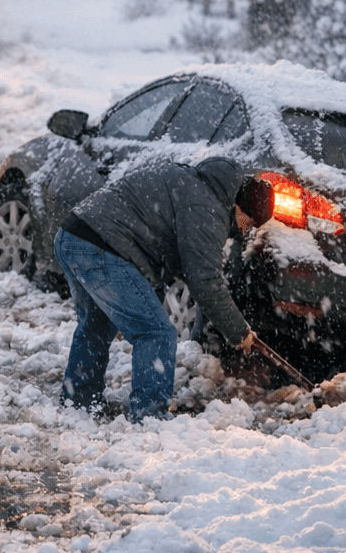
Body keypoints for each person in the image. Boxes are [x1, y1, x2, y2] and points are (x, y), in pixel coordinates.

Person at [54, 154, 261, 422]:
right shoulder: (208, 208)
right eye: (249, 223)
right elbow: (207, 282)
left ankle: (78, 403)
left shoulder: (195, 186)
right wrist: (239, 332)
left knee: (95, 326)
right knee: (156, 333)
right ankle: (149, 418)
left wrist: (183, 272)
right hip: (102, 248)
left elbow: (163, 240)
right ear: (239, 206)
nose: (245, 231)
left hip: (73, 236)